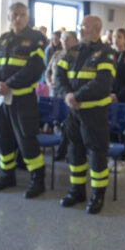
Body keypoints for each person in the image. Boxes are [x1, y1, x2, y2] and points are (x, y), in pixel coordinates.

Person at [56, 15, 116, 214]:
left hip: (94, 113)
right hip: (73, 111)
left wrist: (77, 96)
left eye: (85, 27)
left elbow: (102, 83)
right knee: (74, 151)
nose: (80, 30)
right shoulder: (73, 51)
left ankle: (98, 196)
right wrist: (67, 95)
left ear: (97, 30)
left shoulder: (106, 53)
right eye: (80, 26)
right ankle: (77, 191)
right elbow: (59, 75)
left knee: (97, 154)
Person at [0, 2, 47, 197]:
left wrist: (8, 84)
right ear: (8, 17)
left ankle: (37, 179)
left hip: (22, 99)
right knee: (2, 137)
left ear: (27, 17)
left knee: (26, 139)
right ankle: (7, 175)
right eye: (14, 14)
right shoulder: (3, 38)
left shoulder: (36, 38)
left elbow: (35, 67)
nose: (18, 18)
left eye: (22, 14)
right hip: (1, 98)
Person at [46, 30, 77, 161]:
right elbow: (48, 71)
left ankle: (66, 150)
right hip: (54, 93)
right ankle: (60, 147)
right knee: (57, 121)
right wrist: (49, 82)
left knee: (68, 122)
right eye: (63, 39)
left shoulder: (78, 55)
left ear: (75, 41)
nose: (64, 41)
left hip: (68, 93)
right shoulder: (57, 54)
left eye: (67, 39)